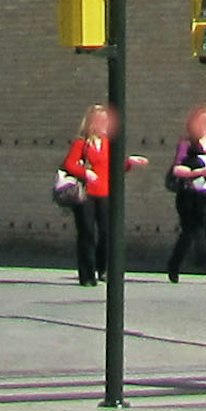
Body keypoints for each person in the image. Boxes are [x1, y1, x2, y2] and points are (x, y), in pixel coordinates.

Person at [56, 104, 116, 287]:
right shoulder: (81, 143)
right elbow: (69, 164)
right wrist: (85, 173)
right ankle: (87, 274)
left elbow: (114, 166)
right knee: (87, 233)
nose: (106, 124)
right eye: (102, 120)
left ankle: (103, 268)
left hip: (105, 193)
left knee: (106, 232)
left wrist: (129, 163)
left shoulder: (108, 143)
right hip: (86, 194)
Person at [164, 105, 206, 284]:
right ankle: (174, 265)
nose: (202, 126)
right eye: (199, 122)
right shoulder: (186, 145)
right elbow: (177, 169)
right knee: (189, 232)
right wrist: (198, 173)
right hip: (191, 195)